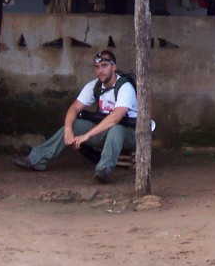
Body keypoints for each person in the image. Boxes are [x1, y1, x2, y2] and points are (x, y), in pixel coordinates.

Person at [14, 50, 137, 183]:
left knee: (116, 129)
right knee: (75, 124)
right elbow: (74, 108)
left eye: (104, 66)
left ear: (114, 67)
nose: (100, 70)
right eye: (97, 67)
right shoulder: (94, 85)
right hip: (105, 131)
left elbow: (115, 118)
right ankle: (36, 160)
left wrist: (87, 135)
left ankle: (103, 170)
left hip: (130, 133)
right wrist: (68, 129)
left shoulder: (125, 87)